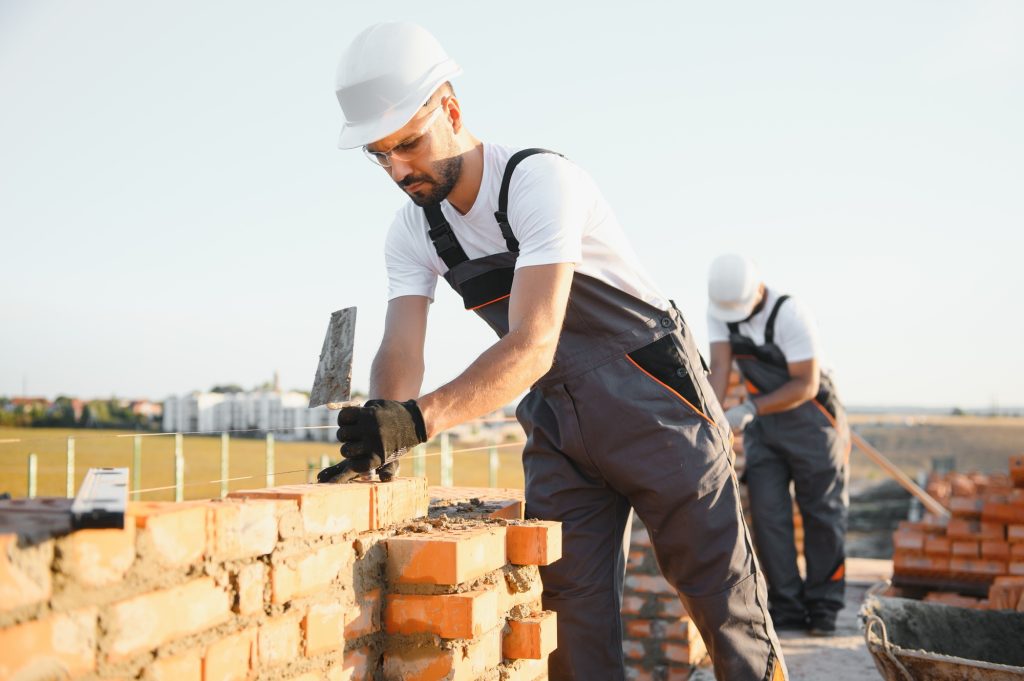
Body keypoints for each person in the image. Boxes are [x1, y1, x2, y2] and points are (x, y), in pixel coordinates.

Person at [317, 22, 787, 680]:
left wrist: (417, 421)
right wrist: (380, 431)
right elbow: (402, 347)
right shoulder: (413, 231)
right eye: (380, 154)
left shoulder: (538, 182)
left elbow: (534, 342)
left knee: (719, 596)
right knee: (569, 617)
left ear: (451, 110)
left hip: (656, 404)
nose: (398, 169)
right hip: (561, 423)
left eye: (409, 143)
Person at [706, 253, 850, 637]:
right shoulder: (721, 308)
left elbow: (806, 384)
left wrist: (750, 408)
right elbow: (719, 370)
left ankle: (823, 608)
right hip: (765, 429)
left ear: (758, 289)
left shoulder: (790, 314)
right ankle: (786, 608)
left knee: (823, 515)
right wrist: (711, 419)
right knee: (768, 515)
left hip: (813, 423)